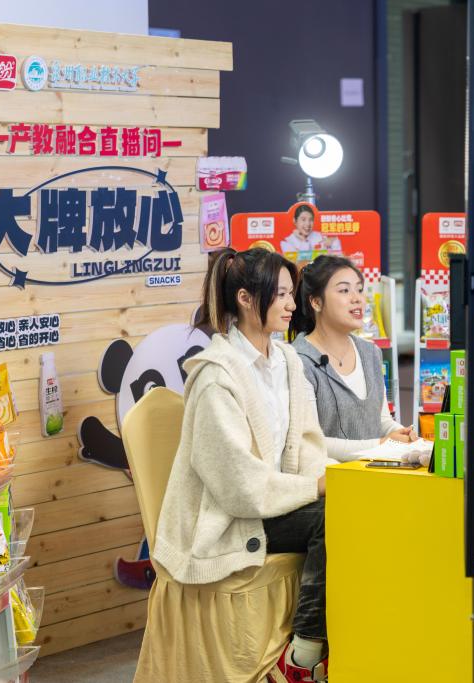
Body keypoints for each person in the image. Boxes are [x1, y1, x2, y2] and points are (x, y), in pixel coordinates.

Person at [144, 247, 331, 683]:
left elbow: (309, 442)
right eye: (280, 295)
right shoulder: (215, 376)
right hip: (231, 517)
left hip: (276, 503)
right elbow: (238, 487)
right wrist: (316, 489)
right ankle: (303, 655)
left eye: (291, 293)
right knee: (332, 516)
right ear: (246, 299)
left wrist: (317, 480)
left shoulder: (287, 361)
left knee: (349, 510)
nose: (291, 304)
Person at [291, 256, 416, 460]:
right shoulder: (299, 360)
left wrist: (402, 434)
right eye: (344, 290)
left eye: (359, 289)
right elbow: (312, 442)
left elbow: (382, 420)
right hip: (328, 478)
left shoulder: (371, 352)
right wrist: (382, 444)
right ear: (316, 302)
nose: (357, 298)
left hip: (373, 472)